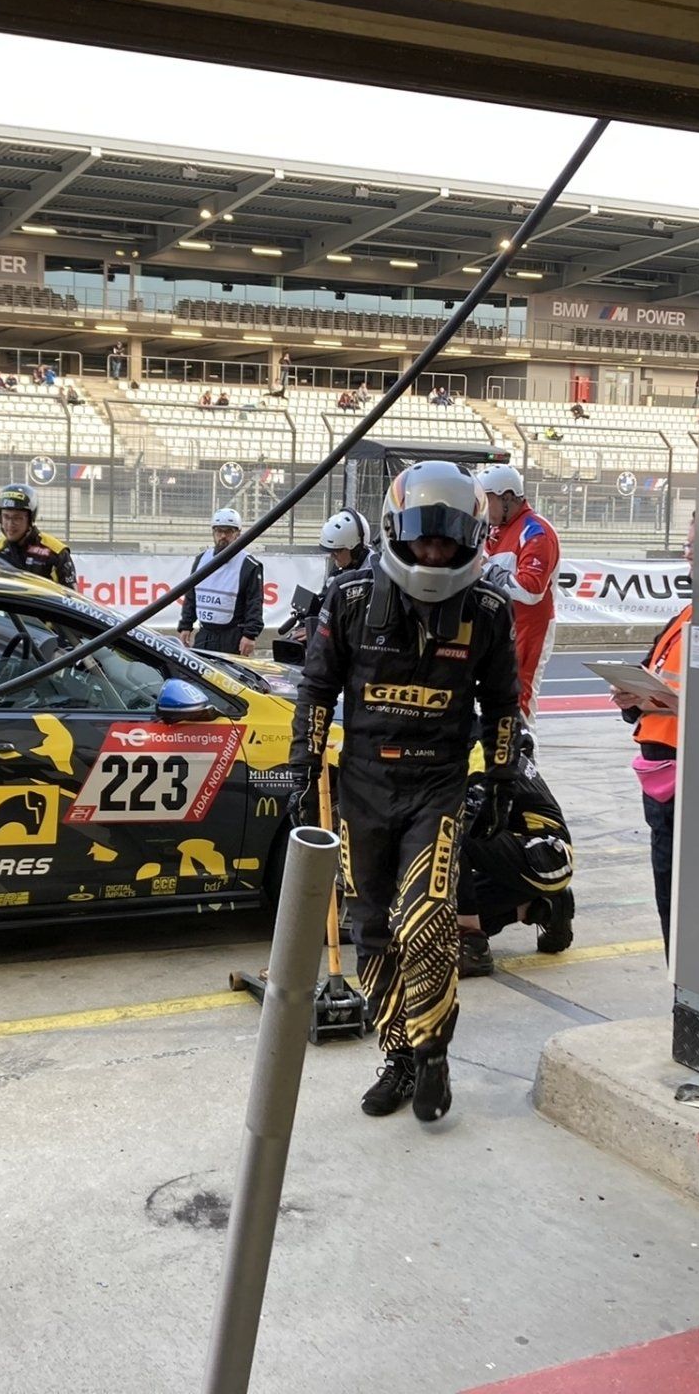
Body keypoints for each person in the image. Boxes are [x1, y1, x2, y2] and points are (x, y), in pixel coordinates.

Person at [287, 461, 521, 1122]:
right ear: (397, 529)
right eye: (424, 534)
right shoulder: (349, 597)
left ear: (471, 536)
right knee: (371, 929)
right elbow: (316, 688)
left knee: (426, 919)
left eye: (448, 537)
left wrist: (501, 776)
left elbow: (504, 704)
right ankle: (399, 1058)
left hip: (437, 786)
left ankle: (434, 1052)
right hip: (363, 785)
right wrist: (303, 765)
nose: (435, 550)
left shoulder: (488, 609)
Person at [614, 515, 693, 954]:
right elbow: (653, 671)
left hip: (690, 777)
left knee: (683, 891)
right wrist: (631, 697)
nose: (688, 554)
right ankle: (677, 974)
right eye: (687, 545)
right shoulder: (685, 616)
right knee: (669, 891)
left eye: (695, 546)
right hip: (661, 776)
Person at [457, 748, 577, 975]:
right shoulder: (479, 744)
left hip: (545, 857)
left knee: (449, 830)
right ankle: (540, 908)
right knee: (435, 922)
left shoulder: (479, 754)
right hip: (525, 858)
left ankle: (471, 946)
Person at [475, 464, 562, 724]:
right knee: (491, 699)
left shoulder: (536, 531)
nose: (482, 507)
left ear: (507, 497)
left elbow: (531, 589)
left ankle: (523, 747)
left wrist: (486, 570)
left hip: (528, 628)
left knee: (518, 703)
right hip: (499, 624)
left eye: (487, 499)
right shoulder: (495, 527)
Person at [179, 507, 265, 656]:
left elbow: (254, 602)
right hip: (205, 634)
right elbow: (192, 595)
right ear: (213, 532)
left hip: (233, 637)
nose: (223, 536)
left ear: (238, 533)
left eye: (229, 531)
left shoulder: (249, 565)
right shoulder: (201, 560)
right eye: (219, 531)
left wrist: (250, 635)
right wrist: (186, 625)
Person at [278, 506, 369, 644]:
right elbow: (327, 601)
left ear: (355, 549)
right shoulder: (343, 565)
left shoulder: (373, 575)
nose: (332, 556)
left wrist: (320, 631)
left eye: (337, 551)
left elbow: (359, 623)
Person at [0, 484, 77, 588]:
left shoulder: (56, 552)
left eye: (17, 518)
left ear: (30, 519)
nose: (10, 524)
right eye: (6, 517)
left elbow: (70, 595)